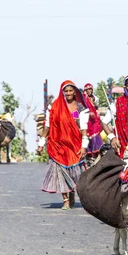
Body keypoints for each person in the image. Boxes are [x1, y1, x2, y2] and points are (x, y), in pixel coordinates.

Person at [38, 81, 89, 210]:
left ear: (75, 92)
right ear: (62, 92)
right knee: (61, 171)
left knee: (73, 172)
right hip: (57, 144)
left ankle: (71, 193)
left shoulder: (80, 108)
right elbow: (47, 126)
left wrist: (84, 145)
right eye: (66, 91)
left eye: (71, 90)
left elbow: (83, 128)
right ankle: (65, 199)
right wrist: (41, 143)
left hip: (74, 143)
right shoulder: (54, 107)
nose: (68, 93)